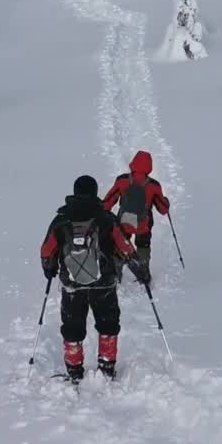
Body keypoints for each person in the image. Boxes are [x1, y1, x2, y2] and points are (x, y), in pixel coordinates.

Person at [40, 174, 146, 382]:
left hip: (72, 285)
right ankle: (106, 367)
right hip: (103, 283)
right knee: (108, 323)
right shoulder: (105, 217)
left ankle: (74, 370)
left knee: (72, 326)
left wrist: (49, 268)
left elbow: (46, 251)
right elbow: (124, 246)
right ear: (95, 192)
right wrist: (139, 269)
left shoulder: (61, 219)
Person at [103, 150, 169, 281]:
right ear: (149, 166)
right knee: (143, 245)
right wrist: (166, 202)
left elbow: (108, 202)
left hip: (124, 222)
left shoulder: (122, 180)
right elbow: (163, 209)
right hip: (143, 224)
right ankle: (143, 273)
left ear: (133, 163)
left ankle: (116, 272)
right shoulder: (153, 185)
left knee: (120, 244)